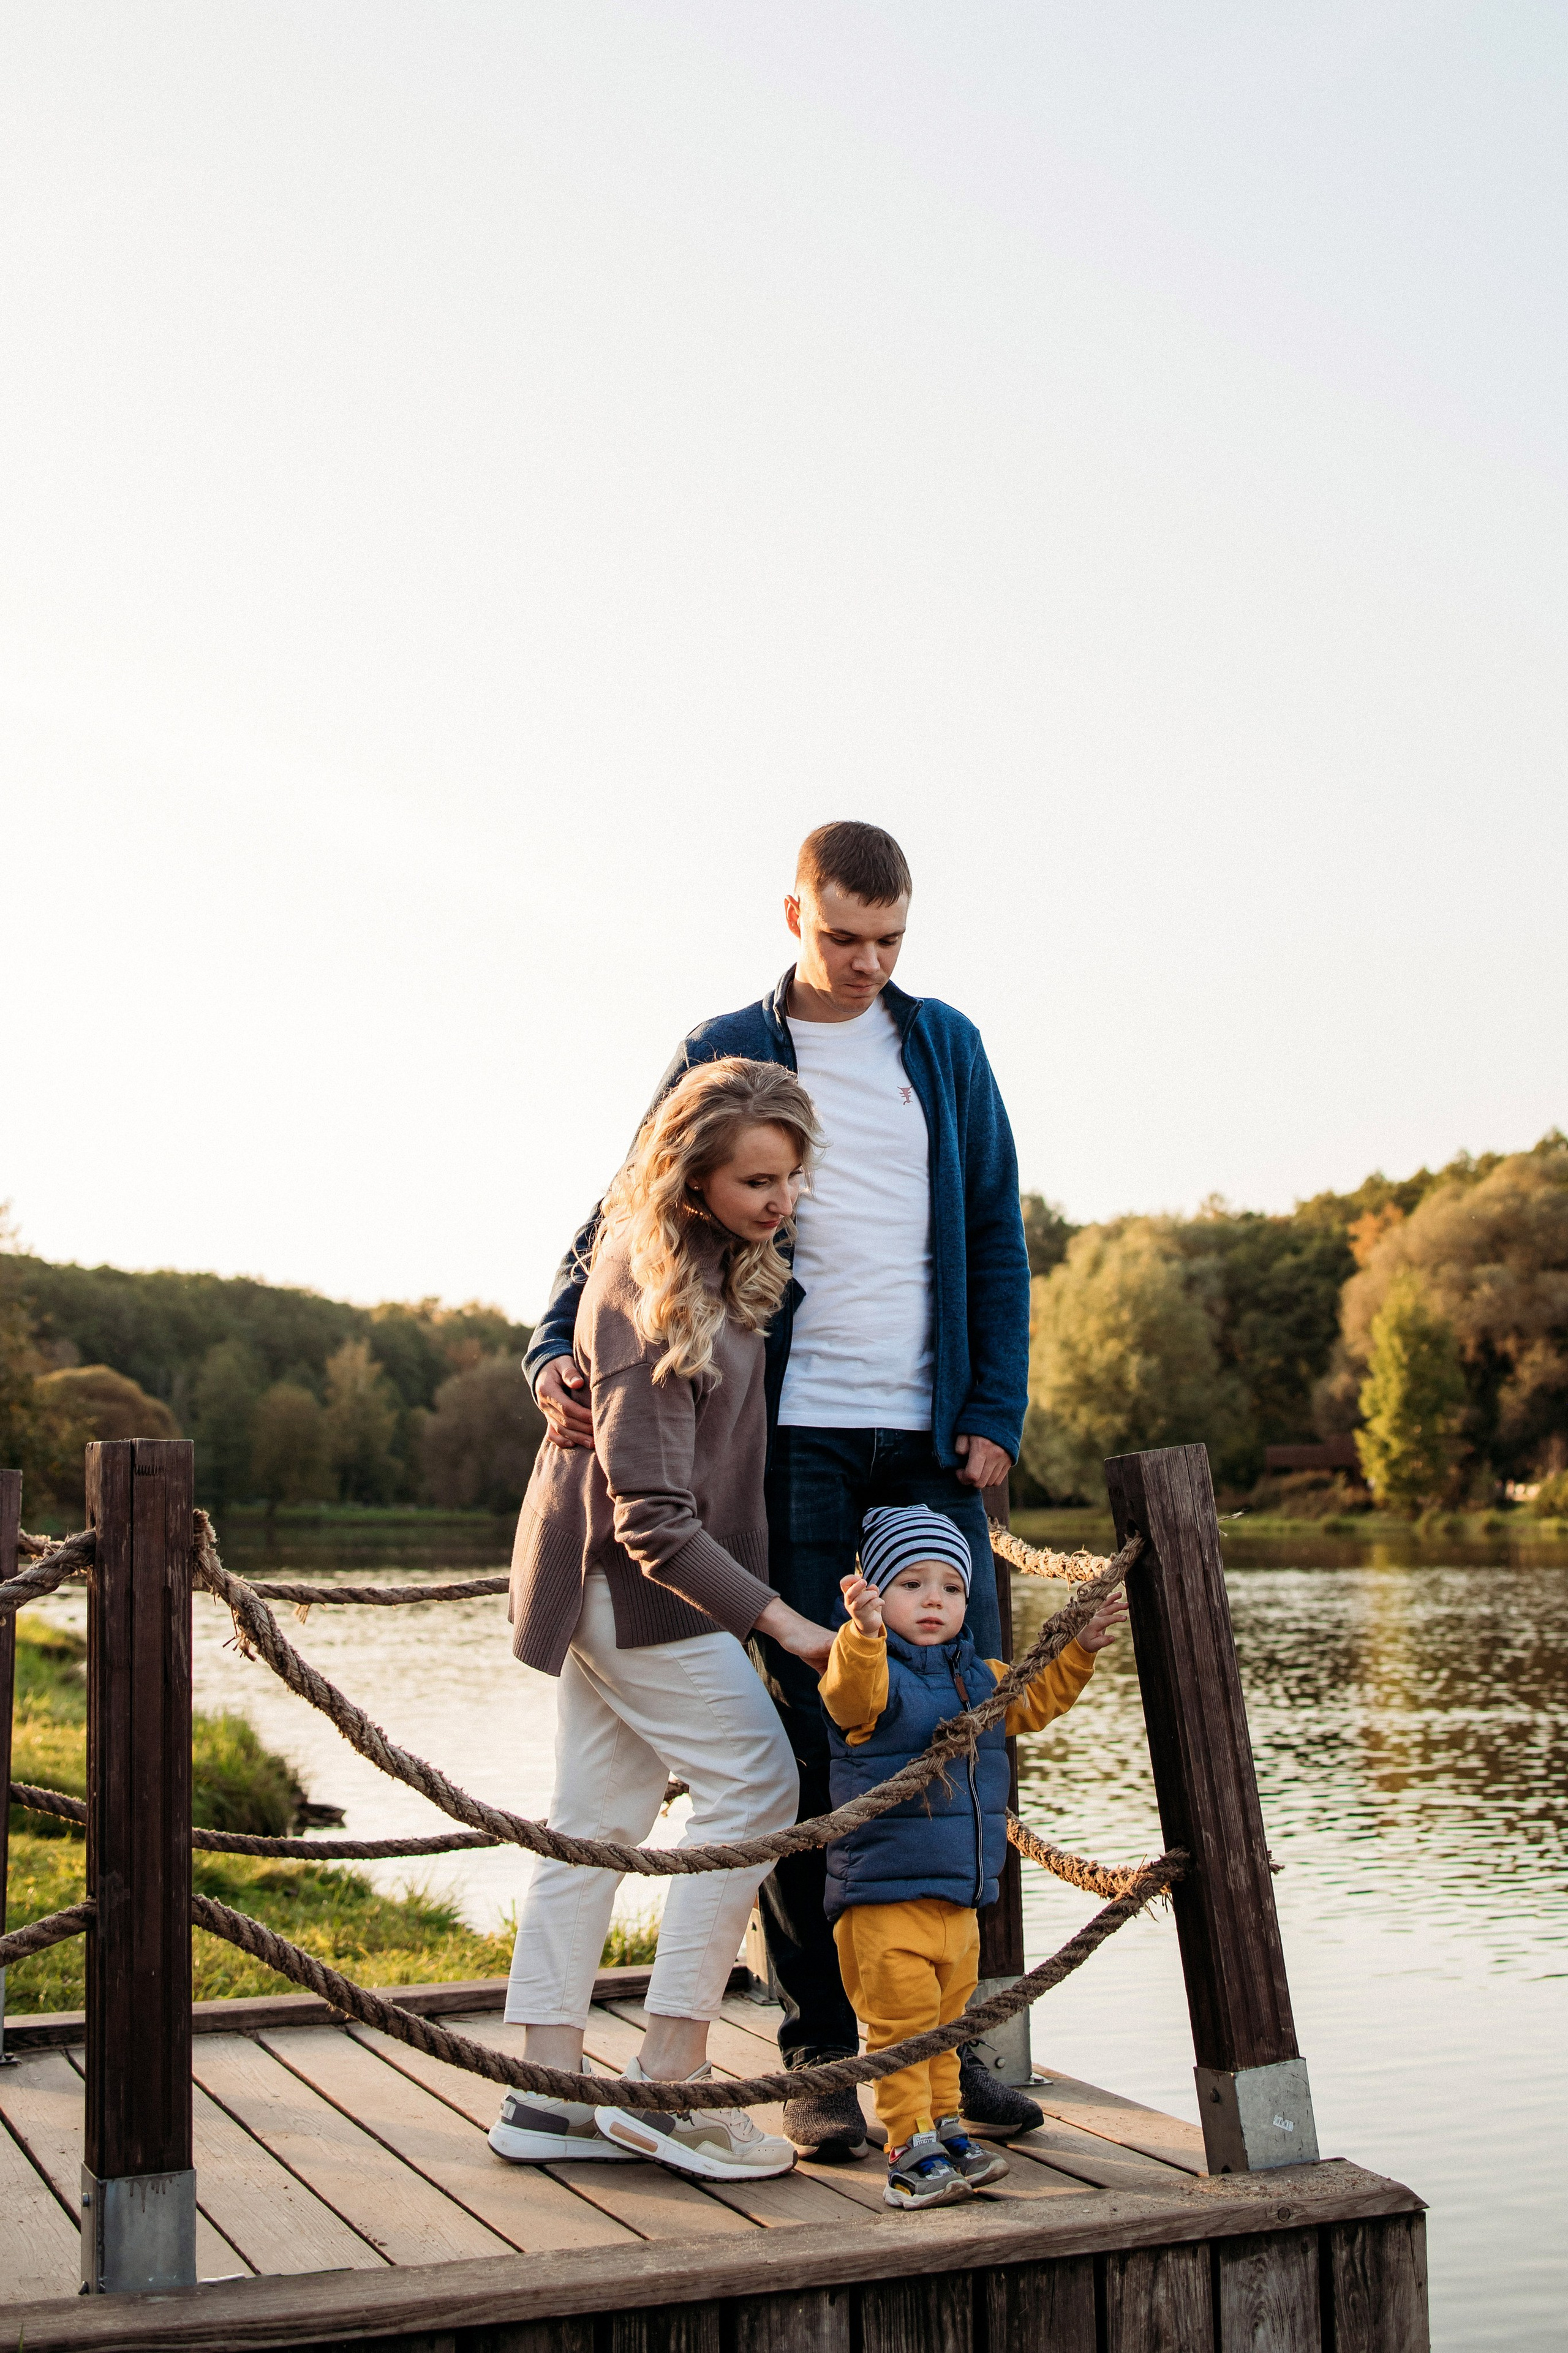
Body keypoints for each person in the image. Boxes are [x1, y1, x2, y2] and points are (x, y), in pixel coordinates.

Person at [526, 820, 1033, 2158]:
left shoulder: (947, 1048)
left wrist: (992, 1411)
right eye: (843, 937)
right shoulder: (723, 1047)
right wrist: (547, 1338)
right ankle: (818, 2056)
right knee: (817, 1741)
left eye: (891, 941)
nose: (867, 964)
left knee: (955, 1734)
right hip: (788, 1441)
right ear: (793, 916)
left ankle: (940, 2044)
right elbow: (622, 1202)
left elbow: (994, 1227)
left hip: (925, 1432)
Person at [490, 1057, 835, 2183]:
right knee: (759, 1781)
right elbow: (649, 1522)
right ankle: (668, 2083)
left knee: (595, 1819)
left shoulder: (715, 1262)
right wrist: (784, 1623)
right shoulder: (646, 1290)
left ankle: (544, 2094)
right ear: (693, 1184)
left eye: (789, 1176)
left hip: (639, 1588)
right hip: (634, 1589)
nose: (779, 1202)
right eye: (755, 1183)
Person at [819, 1505, 1128, 2208]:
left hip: (959, 1900)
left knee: (946, 2029)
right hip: (884, 1897)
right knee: (900, 2033)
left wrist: (1077, 1648)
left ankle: (947, 2129)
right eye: (911, 1584)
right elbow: (846, 1697)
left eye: (951, 1588)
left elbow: (1038, 1700)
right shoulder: (875, 1674)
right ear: (874, 1592)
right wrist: (862, 1635)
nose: (933, 1600)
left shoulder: (980, 1677)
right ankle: (906, 2148)